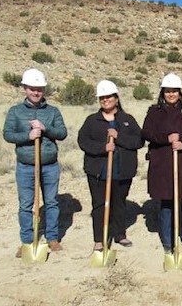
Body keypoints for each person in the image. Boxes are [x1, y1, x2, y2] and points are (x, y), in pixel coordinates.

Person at [3, 68, 68, 258]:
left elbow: (62, 133)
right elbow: (7, 134)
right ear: (24, 88)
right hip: (25, 166)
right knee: (25, 205)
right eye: (32, 88)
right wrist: (28, 135)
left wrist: (45, 129)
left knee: (51, 202)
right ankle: (27, 240)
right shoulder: (15, 112)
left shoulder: (53, 111)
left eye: (39, 88)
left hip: (49, 166)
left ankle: (52, 238)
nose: (36, 92)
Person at [142, 73, 182, 252]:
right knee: (167, 204)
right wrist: (166, 138)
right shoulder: (154, 112)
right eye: (168, 91)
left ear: (180, 92)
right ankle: (169, 241)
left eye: (174, 91)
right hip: (163, 165)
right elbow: (146, 133)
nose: (171, 94)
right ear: (162, 92)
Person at [77, 80, 143, 251]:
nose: (105, 100)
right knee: (99, 204)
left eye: (109, 97)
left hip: (122, 171)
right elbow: (83, 141)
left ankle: (120, 234)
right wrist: (103, 148)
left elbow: (139, 140)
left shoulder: (127, 119)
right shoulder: (92, 120)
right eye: (102, 98)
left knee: (119, 203)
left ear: (116, 98)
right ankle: (99, 239)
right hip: (98, 172)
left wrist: (118, 137)